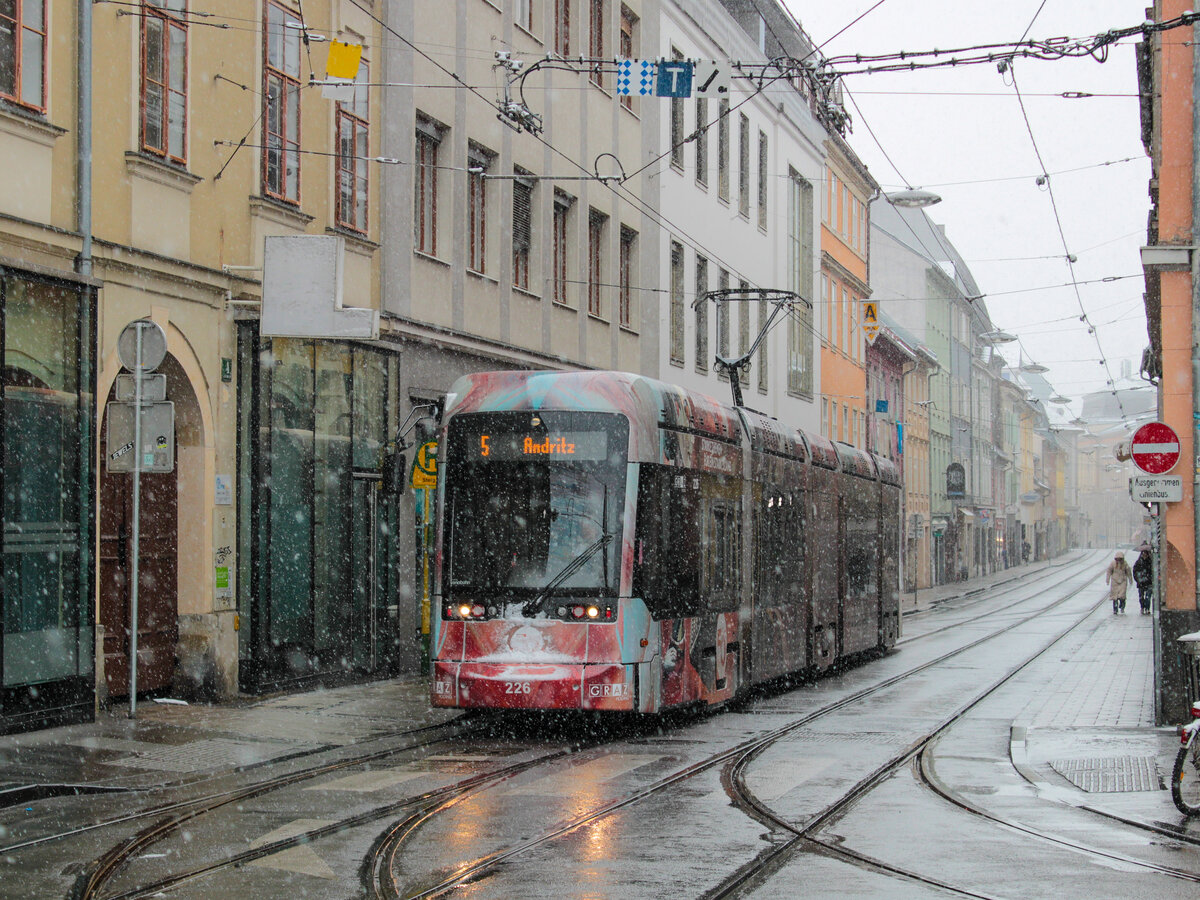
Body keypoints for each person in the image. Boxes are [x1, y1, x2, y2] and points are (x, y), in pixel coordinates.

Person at [1132, 543, 1154, 615]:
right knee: (1141, 597)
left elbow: (1153, 571)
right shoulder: (1138, 562)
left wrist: (1150, 578)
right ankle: (1142, 607)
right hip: (1141, 582)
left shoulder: (1150, 562)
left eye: (1145, 554)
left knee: (1148, 597)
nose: (1144, 555)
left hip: (1148, 582)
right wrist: (1137, 579)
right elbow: (1135, 571)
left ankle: (1147, 608)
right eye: (1143, 554)